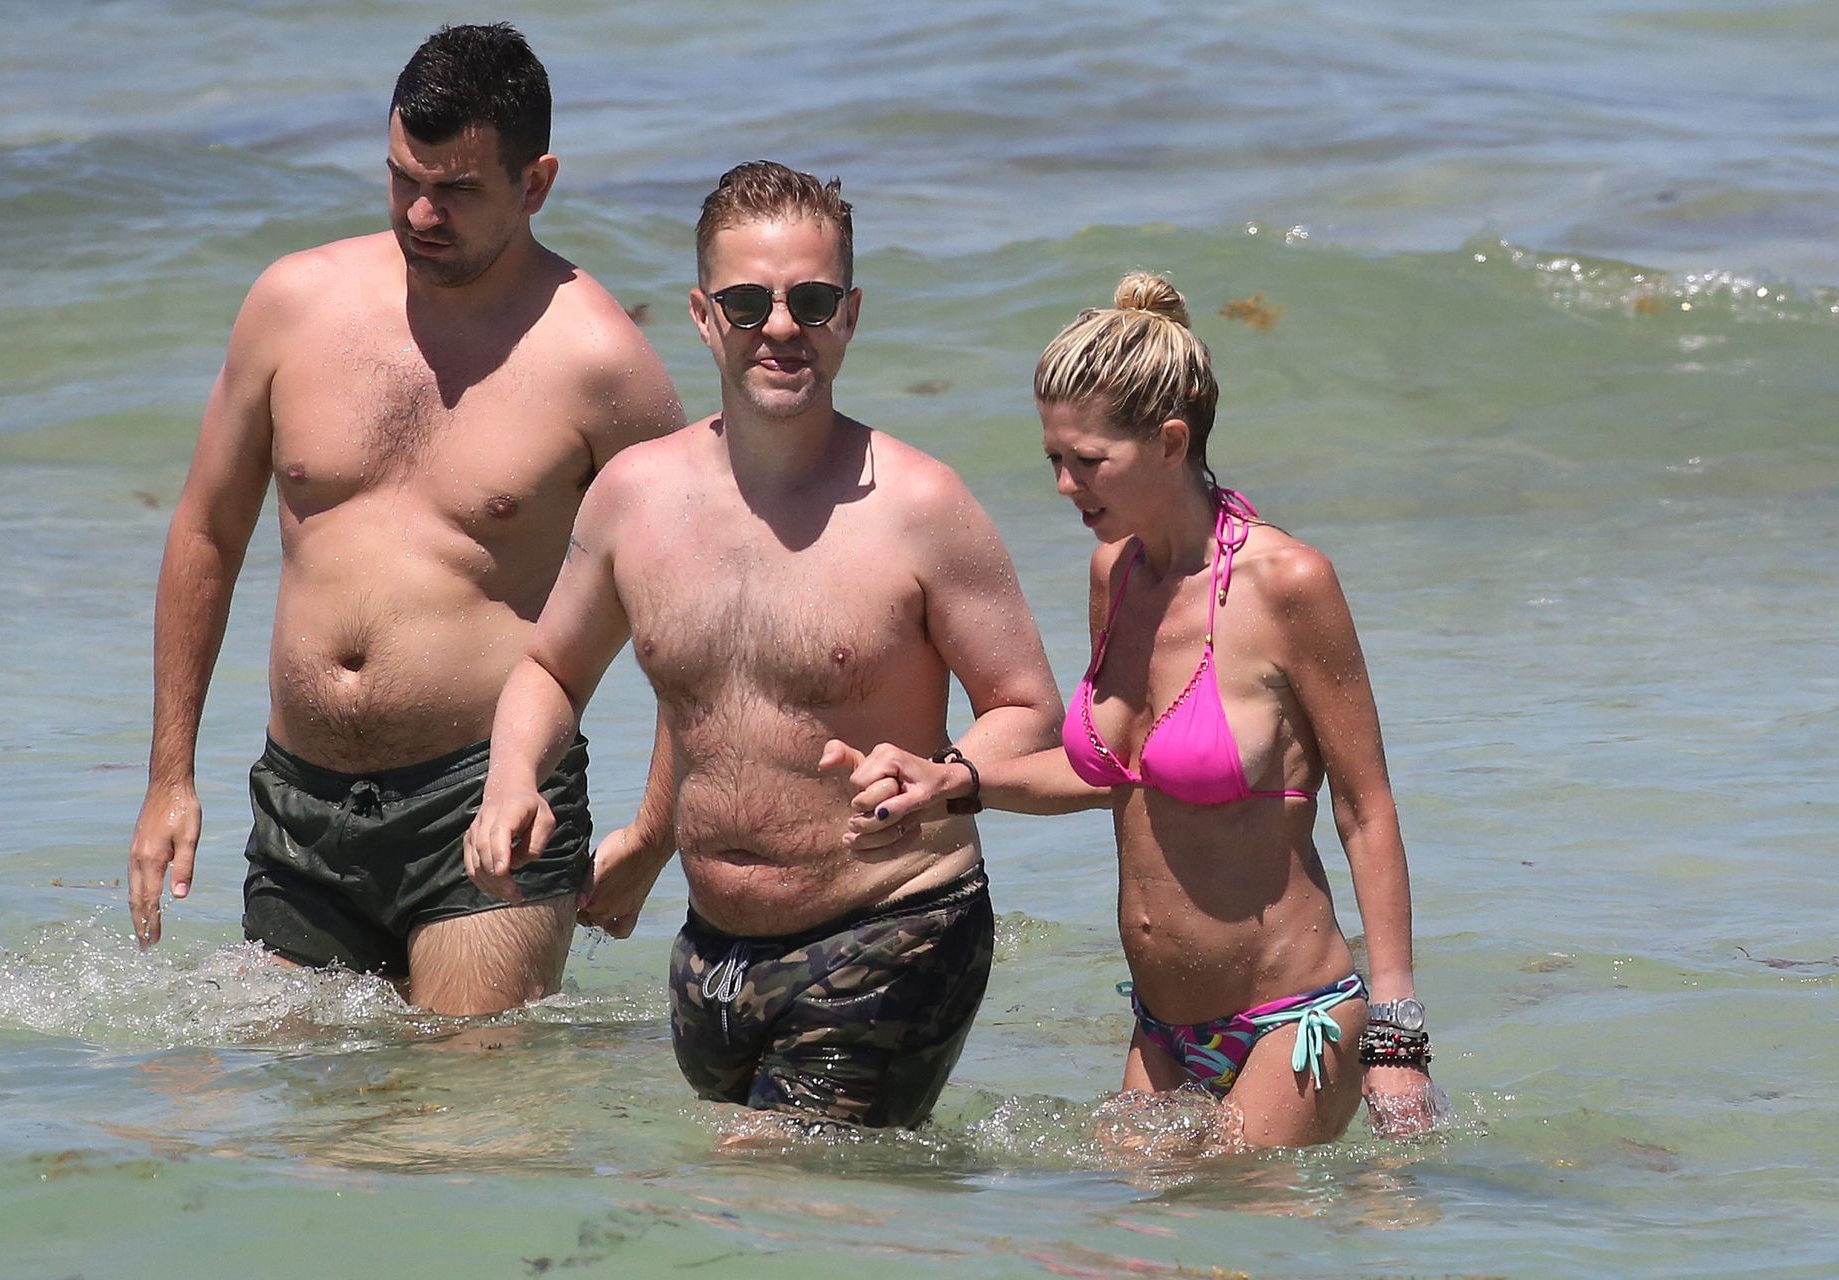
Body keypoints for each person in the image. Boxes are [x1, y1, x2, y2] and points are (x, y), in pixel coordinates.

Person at [462, 161, 1062, 1129]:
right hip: (712, 951)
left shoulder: (922, 507)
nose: (781, 327)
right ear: (704, 317)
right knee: (735, 1199)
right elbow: (550, 669)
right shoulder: (633, 498)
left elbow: (1029, 709)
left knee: (766, 1178)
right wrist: (510, 783)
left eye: (811, 302)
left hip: (894, 925)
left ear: (849, 316)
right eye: (748, 303)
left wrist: (945, 776)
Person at [124, 23, 685, 1016]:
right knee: (296, 1111)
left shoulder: (598, 362)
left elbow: (698, 605)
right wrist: (171, 775)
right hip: (300, 810)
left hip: (491, 803)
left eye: (457, 189)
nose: (421, 213)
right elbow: (207, 530)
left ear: (536, 183)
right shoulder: (293, 305)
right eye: (402, 179)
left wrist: (657, 830)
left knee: (464, 1105)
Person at [835, 272, 1438, 1149]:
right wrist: (952, 782)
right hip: (1162, 1032)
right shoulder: (1116, 574)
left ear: (1169, 442)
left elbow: (1366, 808)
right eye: (1053, 459)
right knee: (1120, 1222)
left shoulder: (1288, 584)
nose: (1064, 484)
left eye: (1087, 461)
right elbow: (1109, 773)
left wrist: (1398, 1035)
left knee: (1227, 1212)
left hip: (1295, 1019)